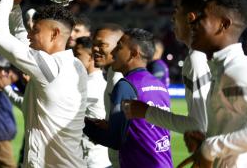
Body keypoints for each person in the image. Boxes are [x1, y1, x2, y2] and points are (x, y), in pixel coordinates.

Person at [0, 0, 87, 167]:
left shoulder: (49, 68)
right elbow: (22, 41)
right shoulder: (72, 64)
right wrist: (16, 6)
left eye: (35, 30)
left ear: (55, 34)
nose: (30, 34)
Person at [123, 0, 214, 136]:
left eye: (176, 10)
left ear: (190, 18)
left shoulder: (197, 59)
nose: (172, 18)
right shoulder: (208, 54)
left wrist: (146, 112)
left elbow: (199, 127)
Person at [179, 0, 247, 167]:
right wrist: (207, 139)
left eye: (202, 16)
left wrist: (210, 147)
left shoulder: (238, 70)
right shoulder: (220, 69)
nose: (192, 20)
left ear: (224, 24)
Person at [84, 28, 173, 168]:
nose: (113, 53)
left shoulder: (126, 85)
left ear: (134, 53)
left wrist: (83, 124)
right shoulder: (159, 85)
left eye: (119, 47)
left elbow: (115, 139)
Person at [73, 36, 112, 168]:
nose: (73, 59)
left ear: (91, 57)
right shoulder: (97, 83)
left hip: (93, 160)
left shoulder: (90, 86)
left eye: (77, 54)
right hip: (95, 157)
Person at [91, 23, 124, 168]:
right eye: (94, 44)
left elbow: (123, 132)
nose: (95, 49)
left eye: (101, 44)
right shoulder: (112, 73)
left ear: (119, 47)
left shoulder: (120, 79)